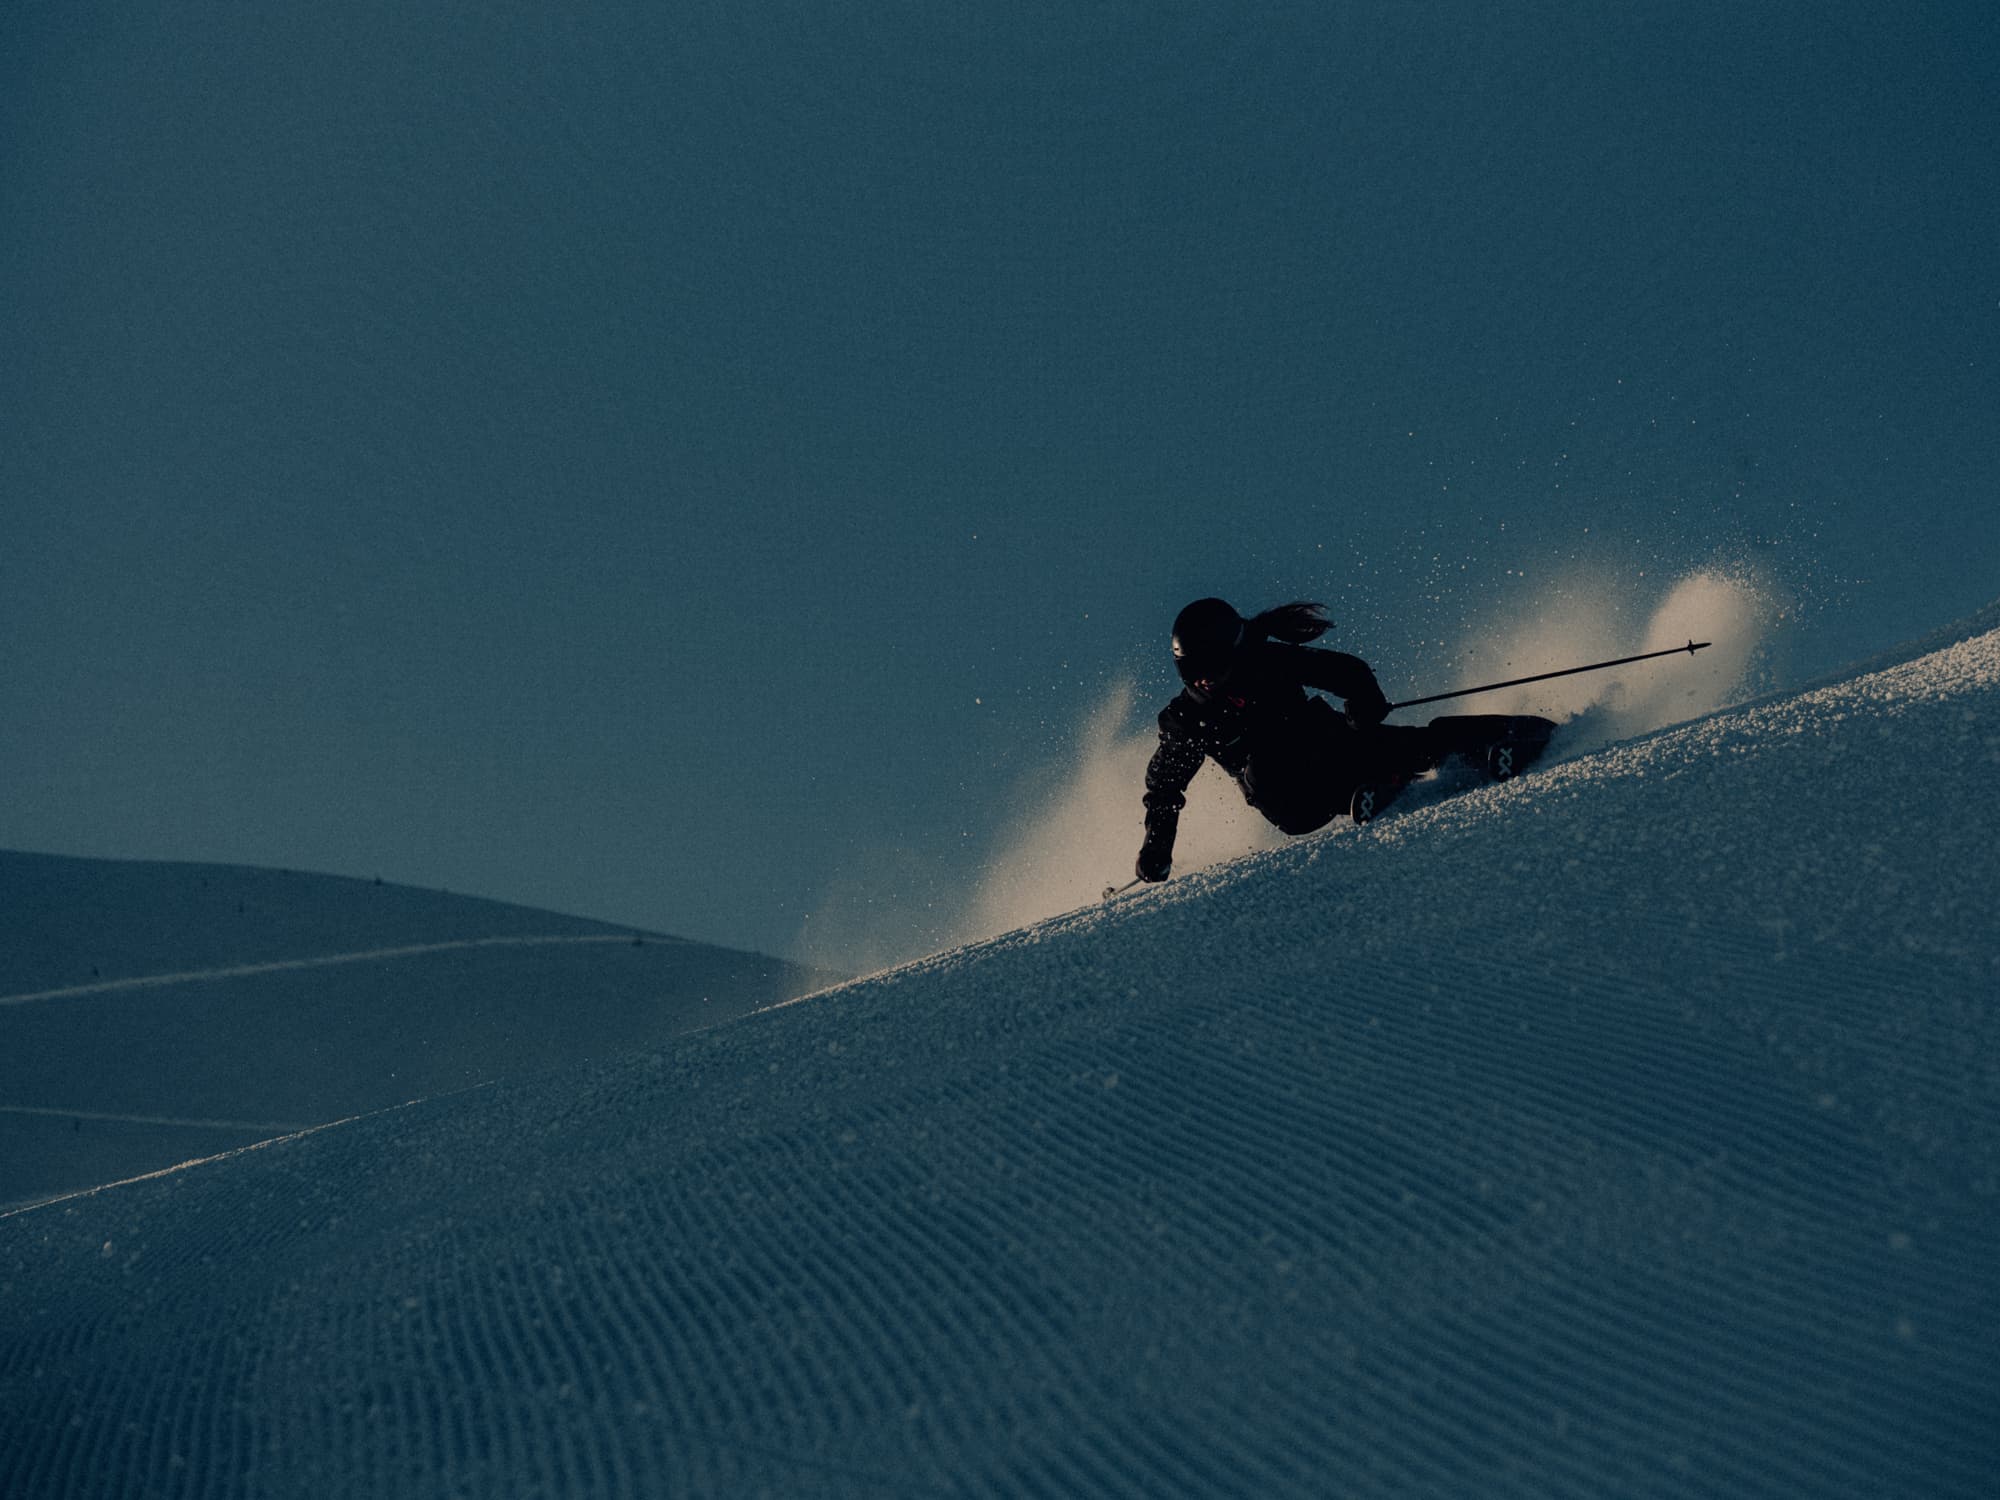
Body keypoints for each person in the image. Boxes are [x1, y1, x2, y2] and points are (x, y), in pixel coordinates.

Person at [1134, 597, 1555, 883]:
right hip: (1291, 800)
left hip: (1330, 744)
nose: (1204, 677)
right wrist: (1157, 847)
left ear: (1235, 650)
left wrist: (1364, 703)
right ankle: (1366, 788)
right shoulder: (1187, 719)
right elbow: (1165, 787)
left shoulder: (1267, 662)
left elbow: (1346, 672)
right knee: (1265, 770)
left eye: (1211, 664)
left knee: (1417, 742)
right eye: (1192, 671)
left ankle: (1513, 736)